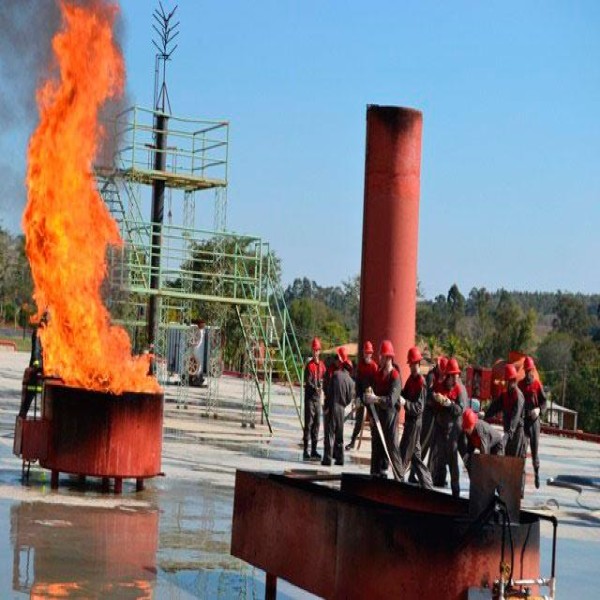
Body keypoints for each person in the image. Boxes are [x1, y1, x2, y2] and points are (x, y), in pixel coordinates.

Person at [363, 340, 403, 478]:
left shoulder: (396, 377)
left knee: (392, 452)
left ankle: (399, 481)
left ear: (389, 358)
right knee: (376, 453)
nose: (380, 358)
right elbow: (371, 396)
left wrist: (375, 399)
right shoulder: (378, 375)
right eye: (380, 356)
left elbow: (391, 401)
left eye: (382, 356)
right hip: (378, 420)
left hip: (390, 422)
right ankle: (374, 478)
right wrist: (368, 402)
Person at [484, 363, 526, 494]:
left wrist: (507, 436)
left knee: (517, 462)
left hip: (517, 434)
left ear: (513, 381)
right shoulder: (505, 395)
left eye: (507, 381)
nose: (506, 384)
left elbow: (515, 418)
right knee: (507, 460)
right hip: (508, 432)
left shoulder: (518, 397)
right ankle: (508, 489)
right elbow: (495, 407)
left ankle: (518, 492)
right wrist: (484, 416)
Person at [429, 357, 466, 498]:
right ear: (448, 376)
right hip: (439, 428)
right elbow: (429, 398)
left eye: (457, 376)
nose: (456, 379)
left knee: (453, 461)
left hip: (453, 431)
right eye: (454, 376)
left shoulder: (459, 390)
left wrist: (448, 403)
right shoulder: (438, 385)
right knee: (438, 459)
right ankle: (436, 486)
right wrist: (434, 398)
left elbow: (460, 409)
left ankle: (455, 491)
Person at [410, 355, 447, 482]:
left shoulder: (439, 377)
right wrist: (435, 397)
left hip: (435, 415)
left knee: (432, 446)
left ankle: (429, 474)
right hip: (429, 415)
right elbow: (427, 395)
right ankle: (412, 474)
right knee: (424, 445)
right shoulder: (431, 376)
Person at [399, 347, 433, 488]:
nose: (411, 366)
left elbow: (419, 408)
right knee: (416, 457)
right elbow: (404, 393)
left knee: (403, 455)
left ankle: (398, 483)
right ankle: (428, 485)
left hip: (414, 423)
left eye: (413, 364)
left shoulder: (421, 382)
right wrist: (397, 395)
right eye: (410, 364)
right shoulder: (410, 380)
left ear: (418, 363)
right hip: (410, 422)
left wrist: (404, 403)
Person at [322, 348, 355, 466]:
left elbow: (329, 391)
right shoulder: (351, 382)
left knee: (330, 433)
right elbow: (349, 399)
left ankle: (327, 459)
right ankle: (340, 459)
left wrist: (326, 406)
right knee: (339, 435)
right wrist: (342, 404)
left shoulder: (335, 375)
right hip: (341, 409)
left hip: (332, 406)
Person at [518, 356, 548, 489]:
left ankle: (536, 472)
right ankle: (521, 487)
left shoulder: (537, 385)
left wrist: (539, 410)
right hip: (524, 422)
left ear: (532, 371)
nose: (528, 373)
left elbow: (544, 402)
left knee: (534, 453)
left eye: (530, 370)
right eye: (526, 370)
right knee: (522, 453)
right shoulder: (520, 385)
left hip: (534, 422)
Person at [345, 340, 377, 450]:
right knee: (359, 421)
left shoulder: (374, 367)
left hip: (371, 397)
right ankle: (353, 441)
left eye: (369, 353)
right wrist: (357, 397)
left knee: (373, 421)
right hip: (361, 396)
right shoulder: (360, 366)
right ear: (363, 353)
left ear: (371, 354)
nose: (367, 355)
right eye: (365, 352)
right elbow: (357, 383)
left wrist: (373, 395)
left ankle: (375, 446)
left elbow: (377, 384)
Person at [19, 313, 47, 418]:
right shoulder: (38, 333)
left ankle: (24, 415)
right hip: (36, 372)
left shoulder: (48, 334)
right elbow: (36, 350)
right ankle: (22, 417)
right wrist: (37, 365)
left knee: (42, 399)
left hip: (43, 370)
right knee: (29, 397)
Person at [460, 408, 504, 473]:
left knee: (494, 471)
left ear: (473, 425)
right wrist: (467, 455)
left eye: (469, 428)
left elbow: (484, 451)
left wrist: (482, 468)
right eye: (466, 428)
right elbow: (470, 446)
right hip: (486, 446)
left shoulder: (481, 430)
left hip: (496, 446)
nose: (467, 431)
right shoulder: (468, 430)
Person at [303, 337, 326, 461]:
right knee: (308, 424)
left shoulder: (322, 366)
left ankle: (314, 450)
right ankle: (305, 450)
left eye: (317, 350)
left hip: (318, 400)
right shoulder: (309, 366)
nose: (315, 352)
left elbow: (325, 379)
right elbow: (308, 381)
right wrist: (315, 387)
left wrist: (323, 389)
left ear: (319, 351)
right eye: (314, 350)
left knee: (317, 424)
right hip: (310, 399)